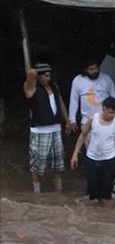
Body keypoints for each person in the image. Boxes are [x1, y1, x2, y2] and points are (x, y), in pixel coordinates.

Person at [23, 63, 70, 193]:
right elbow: (30, 74)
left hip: (55, 128)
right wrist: (35, 72)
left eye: (50, 75)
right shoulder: (31, 87)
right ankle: (36, 189)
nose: (48, 78)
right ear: (39, 76)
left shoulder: (54, 86)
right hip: (39, 130)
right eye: (45, 76)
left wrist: (67, 120)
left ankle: (58, 189)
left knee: (57, 162)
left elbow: (60, 103)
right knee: (37, 162)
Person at [71, 97, 115, 208]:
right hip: (92, 159)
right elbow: (82, 136)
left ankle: (107, 216)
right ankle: (93, 218)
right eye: (110, 112)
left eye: (114, 113)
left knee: (107, 192)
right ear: (103, 109)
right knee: (92, 192)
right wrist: (75, 154)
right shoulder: (92, 119)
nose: (112, 115)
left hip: (109, 160)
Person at [67, 55, 115, 132]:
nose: (94, 71)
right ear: (85, 70)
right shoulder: (78, 80)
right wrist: (72, 119)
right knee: (89, 143)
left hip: (107, 119)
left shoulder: (106, 78)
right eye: (91, 69)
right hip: (86, 121)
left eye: (96, 68)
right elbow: (74, 101)